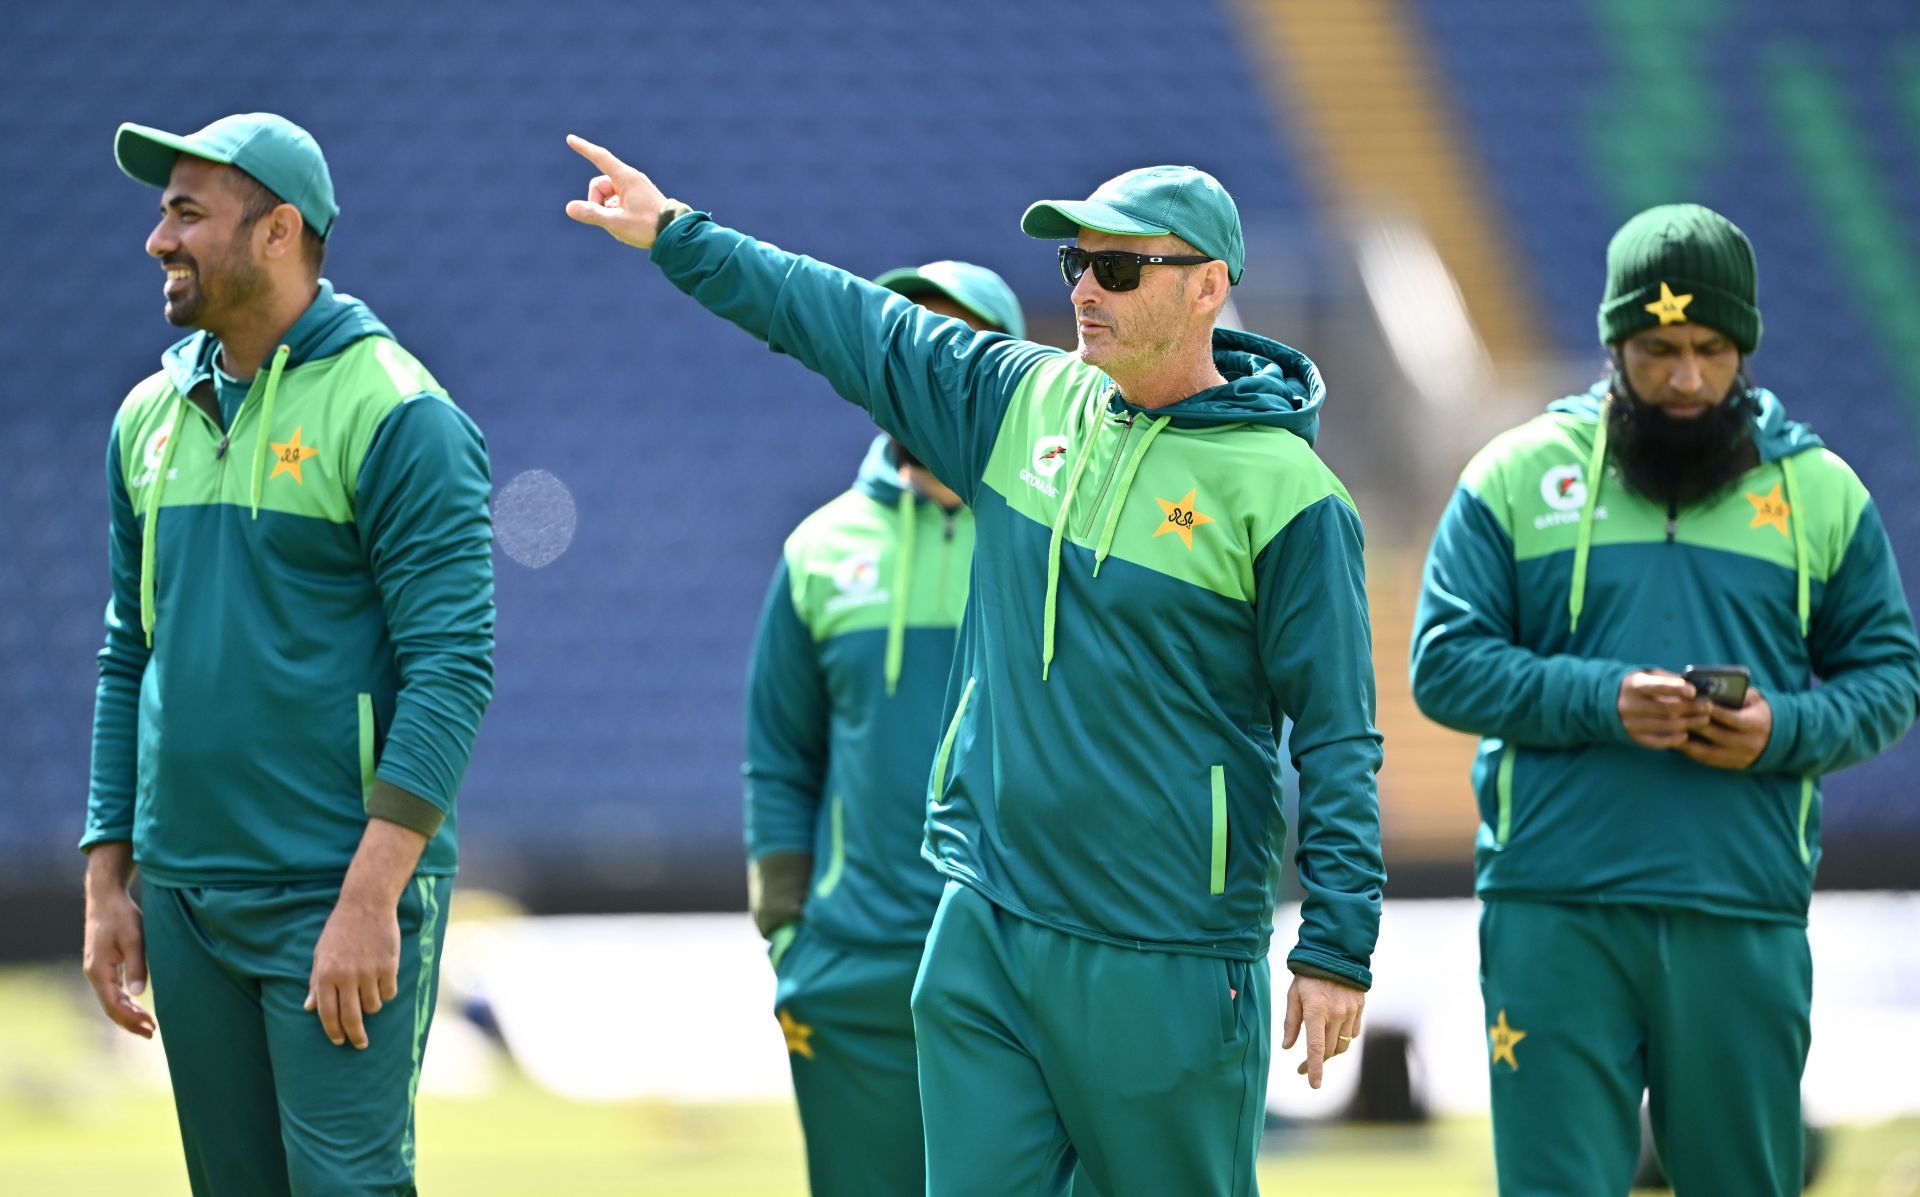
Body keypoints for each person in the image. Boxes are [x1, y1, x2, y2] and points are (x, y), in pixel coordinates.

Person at [567, 136, 1382, 1197]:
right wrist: (678, 233)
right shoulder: (1020, 402)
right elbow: (845, 318)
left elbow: (1337, 732)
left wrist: (1337, 943)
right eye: (1075, 265)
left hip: (1165, 946)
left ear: (1208, 289)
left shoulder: (1291, 495)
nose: (1085, 289)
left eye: (1119, 269)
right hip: (987, 923)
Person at [1410, 203, 1920, 1195]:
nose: (1686, 380)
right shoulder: (1517, 475)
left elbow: (1892, 677)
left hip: (1739, 909)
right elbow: (1442, 663)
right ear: (1612, 344)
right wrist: (1605, 701)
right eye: (1657, 349)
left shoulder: (1823, 494)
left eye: (1711, 349)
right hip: (1554, 910)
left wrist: (1784, 727)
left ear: (1746, 347)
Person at [82, 112, 495, 1196]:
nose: (158, 240)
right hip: (182, 892)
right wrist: (107, 871)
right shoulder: (146, 418)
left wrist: (369, 901)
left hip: (331, 891)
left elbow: (453, 669)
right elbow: (129, 650)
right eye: (163, 211)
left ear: (277, 233)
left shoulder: (401, 413)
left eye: (186, 213)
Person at [747, 261, 1026, 1196]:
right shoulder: (818, 548)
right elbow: (779, 752)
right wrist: (787, 924)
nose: (921, 363)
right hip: (852, 971)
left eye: (952, 341)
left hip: (1015, 967)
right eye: (904, 337)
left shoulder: (1049, 537)